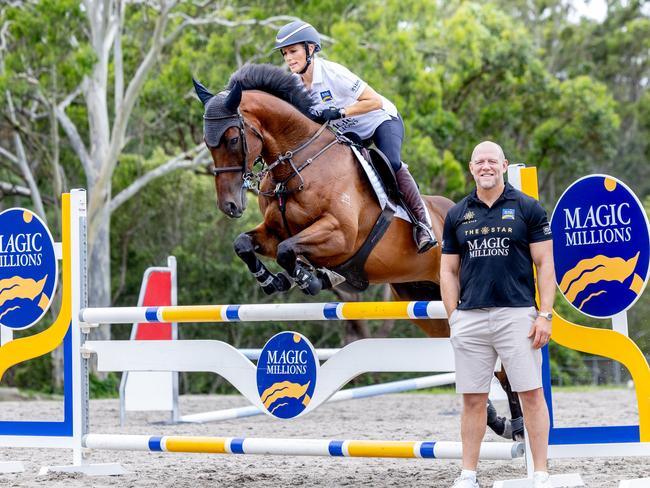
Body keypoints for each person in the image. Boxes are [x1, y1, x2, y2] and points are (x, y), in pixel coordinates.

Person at [440, 141, 555, 488]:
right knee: (473, 400)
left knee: (531, 394)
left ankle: (541, 473)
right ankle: (468, 475)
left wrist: (545, 314)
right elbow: (447, 271)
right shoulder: (457, 214)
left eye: (492, 160)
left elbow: (545, 263)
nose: (486, 166)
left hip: (517, 315)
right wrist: (453, 317)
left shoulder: (528, 208)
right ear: (471, 168)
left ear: (504, 165)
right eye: (480, 161)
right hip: (470, 318)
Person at [274, 20, 436, 253]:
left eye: (293, 51)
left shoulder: (333, 73)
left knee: (390, 162)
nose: (289, 59)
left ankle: (423, 224)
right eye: (285, 54)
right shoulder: (294, 85)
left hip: (380, 120)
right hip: (349, 132)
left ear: (310, 49)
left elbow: (374, 101)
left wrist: (340, 111)